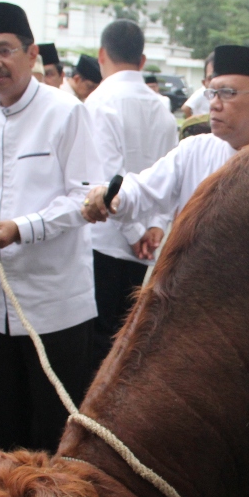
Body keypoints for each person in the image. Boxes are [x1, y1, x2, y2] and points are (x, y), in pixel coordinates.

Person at [0, 1, 100, 454]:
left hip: (55, 305)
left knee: (54, 430)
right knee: (3, 429)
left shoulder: (66, 113)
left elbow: (85, 200)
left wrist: (21, 228)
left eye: (3, 50)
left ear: (31, 55)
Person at [82, 44, 249, 244]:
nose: (214, 104)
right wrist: (113, 196)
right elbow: (143, 190)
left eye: (227, 93)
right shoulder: (195, 151)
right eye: (211, 93)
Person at [85, 19, 179, 367]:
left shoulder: (98, 103)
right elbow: (170, 176)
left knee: (99, 342)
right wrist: (153, 228)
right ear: (141, 61)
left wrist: (135, 232)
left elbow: (107, 183)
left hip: (106, 242)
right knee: (129, 342)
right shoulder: (162, 109)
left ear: (101, 55)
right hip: (147, 247)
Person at [181, 52, 215, 119]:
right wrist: (194, 123)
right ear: (204, 82)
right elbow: (185, 108)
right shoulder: (201, 93)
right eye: (210, 78)